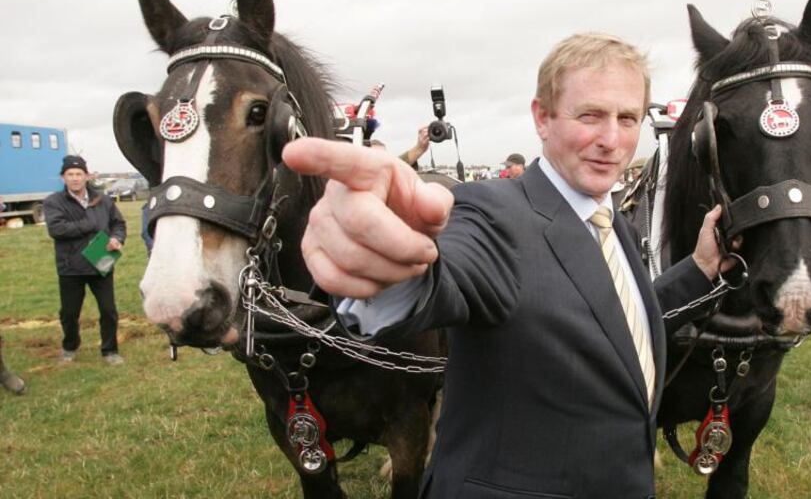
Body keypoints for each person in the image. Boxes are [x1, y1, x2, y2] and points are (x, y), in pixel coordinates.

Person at [284, 32, 731, 498]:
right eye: (590, 115)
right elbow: (443, 275)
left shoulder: (612, 223)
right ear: (542, 117)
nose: (611, 140)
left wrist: (699, 268)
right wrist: (381, 267)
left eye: (627, 118)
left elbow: (617, 325)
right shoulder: (491, 213)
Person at [42, 155, 127, 365]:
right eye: (70, 174)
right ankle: (70, 347)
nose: (75, 178)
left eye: (79, 174)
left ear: (86, 176)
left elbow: (118, 224)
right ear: (62, 178)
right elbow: (57, 229)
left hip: (101, 262)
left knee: (108, 310)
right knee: (69, 313)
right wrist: (89, 224)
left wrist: (117, 238)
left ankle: (110, 350)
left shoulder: (103, 200)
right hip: (70, 267)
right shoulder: (54, 202)